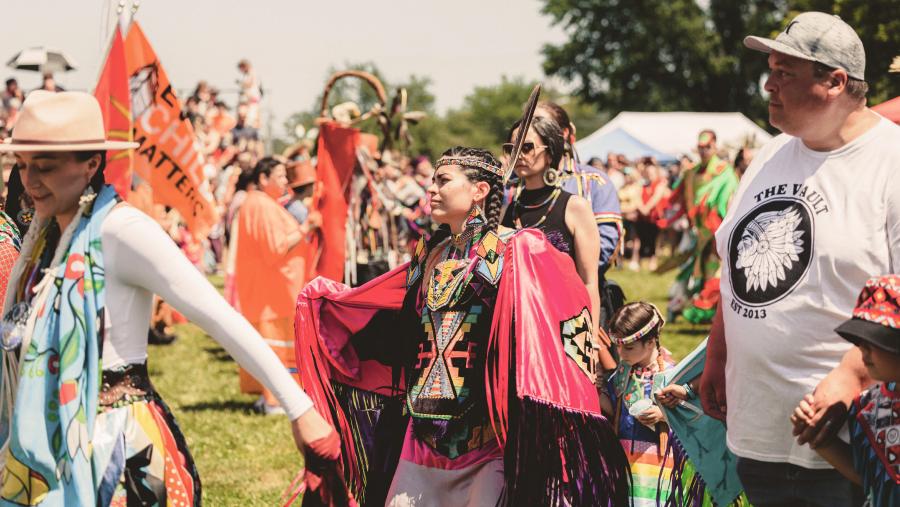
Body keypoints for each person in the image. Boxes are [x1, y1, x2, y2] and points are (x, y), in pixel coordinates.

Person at [0, 90, 336, 505]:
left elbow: (217, 316)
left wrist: (299, 410)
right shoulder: (44, 239)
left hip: (114, 447)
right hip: (51, 444)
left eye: (45, 167)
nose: (29, 180)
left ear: (91, 164)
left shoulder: (122, 230)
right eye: (23, 165)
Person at [295, 146, 630, 505]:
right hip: (424, 425)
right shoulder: (431, 252)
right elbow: (393, 314)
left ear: (479, 191)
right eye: (432, 181)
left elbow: (559, 319)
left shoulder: (516, 250)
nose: (431, 190)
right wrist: (328, 305)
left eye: (443, 181)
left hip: (489, 434)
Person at [700, 12, 900, 506]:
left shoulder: (890, 162)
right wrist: (717, 353)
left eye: (785, 73)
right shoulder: (771, 154)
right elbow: (735, 259)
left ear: (835, 81)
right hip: (759, 432)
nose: (768, 84)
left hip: (851, 441)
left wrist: (853, 374)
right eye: (770, 69)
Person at [501, 117, 616, 370]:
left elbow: (589, 280)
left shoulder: (574, 207)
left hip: (566, 325)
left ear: (550, 150)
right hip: (521, 326)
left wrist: (590, 340)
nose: (518, 154)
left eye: (527, 147)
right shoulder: (509, 212)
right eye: (511, 148)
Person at [792, 275, 900, 507]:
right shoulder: (871, 408)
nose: (862, 349)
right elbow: (868, 476)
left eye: (875, 340)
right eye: (859, 340)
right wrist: (819, 439)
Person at [234, 156, 316, 414]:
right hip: (273, 293)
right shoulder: (260, 205)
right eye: (279, 176)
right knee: (275, 348)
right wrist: (306, 228)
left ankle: (268, 397)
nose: (285, 181)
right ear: (263, 178)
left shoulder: (260, 203)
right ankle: (275, 400)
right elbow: (275, 248)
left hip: (270, 291)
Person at [602, 302, 676, 506]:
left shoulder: (671, 374)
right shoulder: (623, 373)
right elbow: (611, 407)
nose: (621, 353)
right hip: (624, 458)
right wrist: (590, 384)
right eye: (618, 346)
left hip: (657, 463)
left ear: (650, 342)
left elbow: (693, 414)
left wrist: (663, 415)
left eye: (629, 347)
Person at [661, 130, 738, 324]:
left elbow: (731, 199)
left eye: (707, 147)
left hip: (718, 231)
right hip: (699, 232)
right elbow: (677, 196)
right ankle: (686, 308)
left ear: (715, 147)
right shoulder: (691, 173)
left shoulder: (723, 171)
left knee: (714, 272)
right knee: (698, 272)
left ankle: (704, 312)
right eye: (701, 148)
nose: (703, 151)